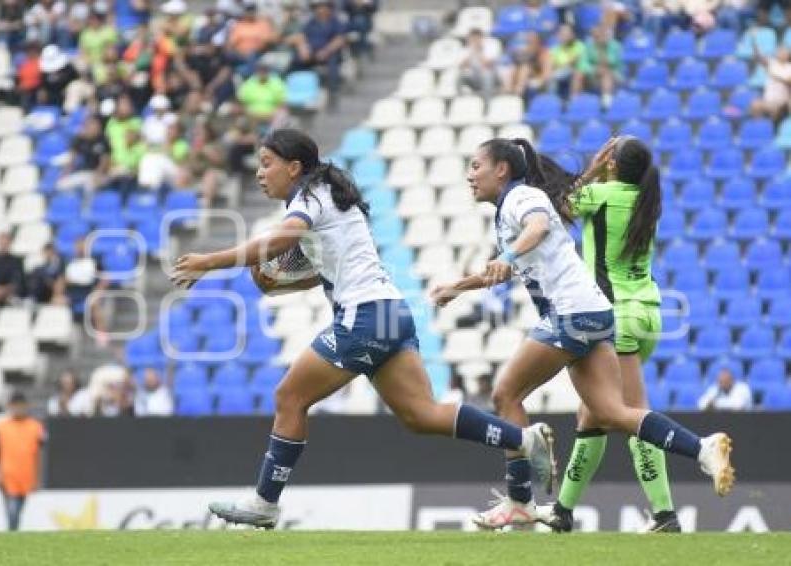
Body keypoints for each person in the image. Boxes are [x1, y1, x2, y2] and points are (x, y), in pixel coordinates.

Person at [171, 128, 557, 529]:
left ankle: (265, 503)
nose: (259, 174)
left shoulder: (310, 196)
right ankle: (523, 439)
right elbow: (325, 271)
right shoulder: (328, 195)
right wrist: (281, 283)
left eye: (267, 164)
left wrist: (211, 261)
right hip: (390, 312)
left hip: (365, 316)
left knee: (290, 396)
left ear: (294, 166)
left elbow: (282, 239)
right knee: (422, 415)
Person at [429, 137, 734, 530]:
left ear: (501, 169)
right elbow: (518, 256)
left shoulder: (521, 200)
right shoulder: (517, 205)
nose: (470, 175)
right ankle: (702, 448)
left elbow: (539, 225)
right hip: (599, 312)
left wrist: (507, 255)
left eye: (475, 166)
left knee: (506, 394)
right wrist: (458, 286)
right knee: (612, 413)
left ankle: (521, 500)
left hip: (572, 313)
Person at [539, 136, 682, 533]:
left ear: (612, 165)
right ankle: (563, 512)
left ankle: (664, 514)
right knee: (593, 413)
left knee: (632, 413)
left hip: (616, 317)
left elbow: (554, 209)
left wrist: (590, 170)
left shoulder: (600, 194)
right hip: (649, 313)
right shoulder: (646, 199)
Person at [0, 391, 46, 531]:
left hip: (26, 475)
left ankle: (13, 533)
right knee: (12, 510)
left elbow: (39, 454)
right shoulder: (0, 427)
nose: (18, 409)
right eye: (15, 406)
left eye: (21, 406)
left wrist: (37, 478)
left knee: (18, 509)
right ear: (9, 406)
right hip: (7, 475)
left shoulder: (35, 427)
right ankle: (12, 534)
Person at [573, 26, 622, 107]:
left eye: (603, 35)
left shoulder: (615, 46)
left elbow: (614, 63)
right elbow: (582, 64)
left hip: (615, 76)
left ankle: (606, 103)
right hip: (594, 76)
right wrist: (595, 70)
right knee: (578, 73)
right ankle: (575, 101)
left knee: (606, 74)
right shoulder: (589, 47)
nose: (600, 38)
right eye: (597, 36)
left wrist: (602, 51)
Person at [458, 28, 500, 97]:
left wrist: (478, 51)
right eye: (472, 39)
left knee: (486, 75)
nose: (474, 41)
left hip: (491, 75)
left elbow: (488, 64)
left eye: (476, 38)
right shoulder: (466, 49)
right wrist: (471, 52)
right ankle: (459, 98)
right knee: (459, 76)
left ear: (481, 38)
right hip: (474, 77)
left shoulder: (491, 46)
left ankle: (487, 102)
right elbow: (462, 66)